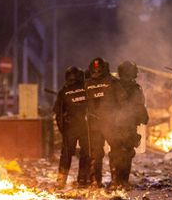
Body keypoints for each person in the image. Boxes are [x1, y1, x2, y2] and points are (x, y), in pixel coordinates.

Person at [108, 61, 148, 189]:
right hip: (120, 125)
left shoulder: (118, 86)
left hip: (124, 125)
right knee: (122, 153)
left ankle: (118, 181)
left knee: (122, 153)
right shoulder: (118, 87)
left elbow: (139, 105)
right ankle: (120, 181)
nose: (136, 73)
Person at [84, 57, 121, 188]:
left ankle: (95, 182)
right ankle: (115, 182)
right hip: (109, 122)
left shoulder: (86, 84)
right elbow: (121, 103)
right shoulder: (114, 82)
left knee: (95, 153)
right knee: (115, 151)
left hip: (94, 123)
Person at [53, 67, 88, 188]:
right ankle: (82, 181)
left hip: (70, 128)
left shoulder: (64, 91)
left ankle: (61, 181)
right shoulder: (86, 88)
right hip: (85, 127)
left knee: (66, 155)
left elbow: (58, 114)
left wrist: (63, 131)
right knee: (85, 154)